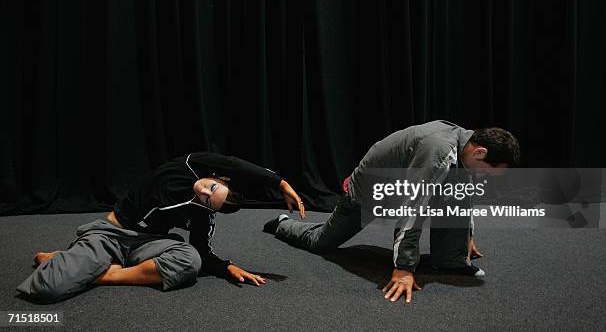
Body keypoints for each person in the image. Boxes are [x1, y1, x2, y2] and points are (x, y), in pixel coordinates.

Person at [264, 120, 519, 303]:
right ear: (480, 152)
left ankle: (450, 259)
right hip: (366, 194)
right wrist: (404, 268)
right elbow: (412, 208)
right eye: (487, 170)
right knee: (321, 243)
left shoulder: (467, 143)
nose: (484, 177)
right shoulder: (439, 151)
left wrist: (465, 239)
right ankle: (282, 224)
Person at [17, 152, 306, 303]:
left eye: (207, 201)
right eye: (210, 188)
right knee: (48, 288)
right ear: (216, 176)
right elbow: (235, 164)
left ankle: (104, 274)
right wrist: (279, 182)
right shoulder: (188, 166)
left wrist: (227, 267)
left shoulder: (201, 211)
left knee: (189, 261)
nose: (202, 193)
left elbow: (202, 252)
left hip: (147, 245)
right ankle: (77, 261)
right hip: (112, 235)